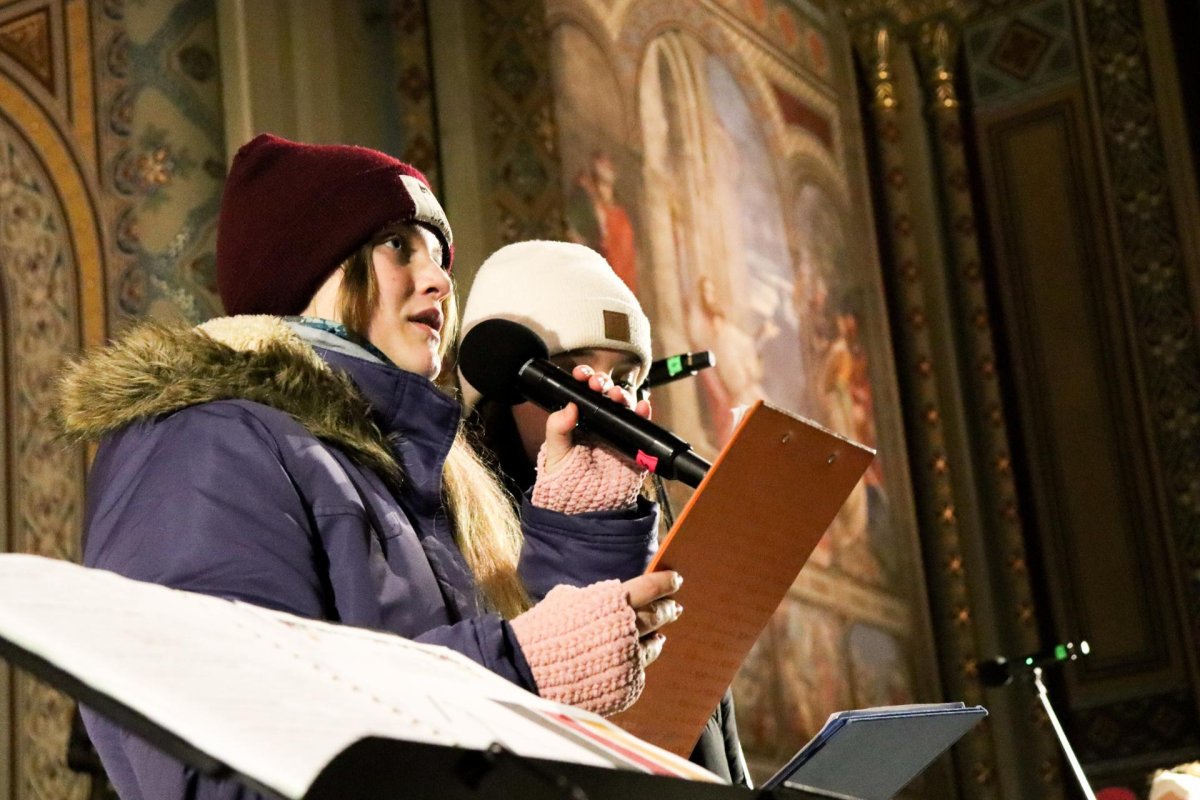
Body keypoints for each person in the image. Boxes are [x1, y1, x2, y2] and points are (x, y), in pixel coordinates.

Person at [57, 135, 683, 800]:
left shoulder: (409, 470)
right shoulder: (206, 440)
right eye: (397, 245)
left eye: (438, 256)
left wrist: (585, 527)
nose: (440, 279)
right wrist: (518, 669)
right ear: (305, 266)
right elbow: (225, 764)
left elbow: (532, 714)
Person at [459, 240, 751, 786]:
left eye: (624, 377)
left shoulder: (663, 588)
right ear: (500, 387)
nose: (605, 397)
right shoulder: (449, 563)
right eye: (572, 373)